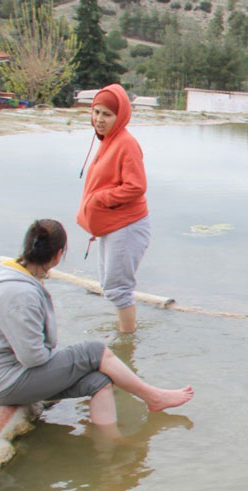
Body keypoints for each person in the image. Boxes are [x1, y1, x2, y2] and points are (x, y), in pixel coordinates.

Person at [0, 220, 194, 434]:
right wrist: (70, 359)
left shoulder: (18, 275)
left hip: (9, 376)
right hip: (4, 382)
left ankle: (109, 448)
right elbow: (32, 358)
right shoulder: (20, 294)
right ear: (58, 255)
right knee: (95, 352)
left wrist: (66, 361)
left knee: (99, 381)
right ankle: (153, 397)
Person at [77, 84, 151, 334]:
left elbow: (136, 186)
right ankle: (125, 332)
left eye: (107, 114)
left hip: (127, 226)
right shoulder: (108, 141)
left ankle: (126, 344)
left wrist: (99, 200)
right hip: (113, 225)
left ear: (120, 117)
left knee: (118, 288)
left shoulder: (126, 143)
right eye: (96, 112)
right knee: (110, 286)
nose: (99, 119)